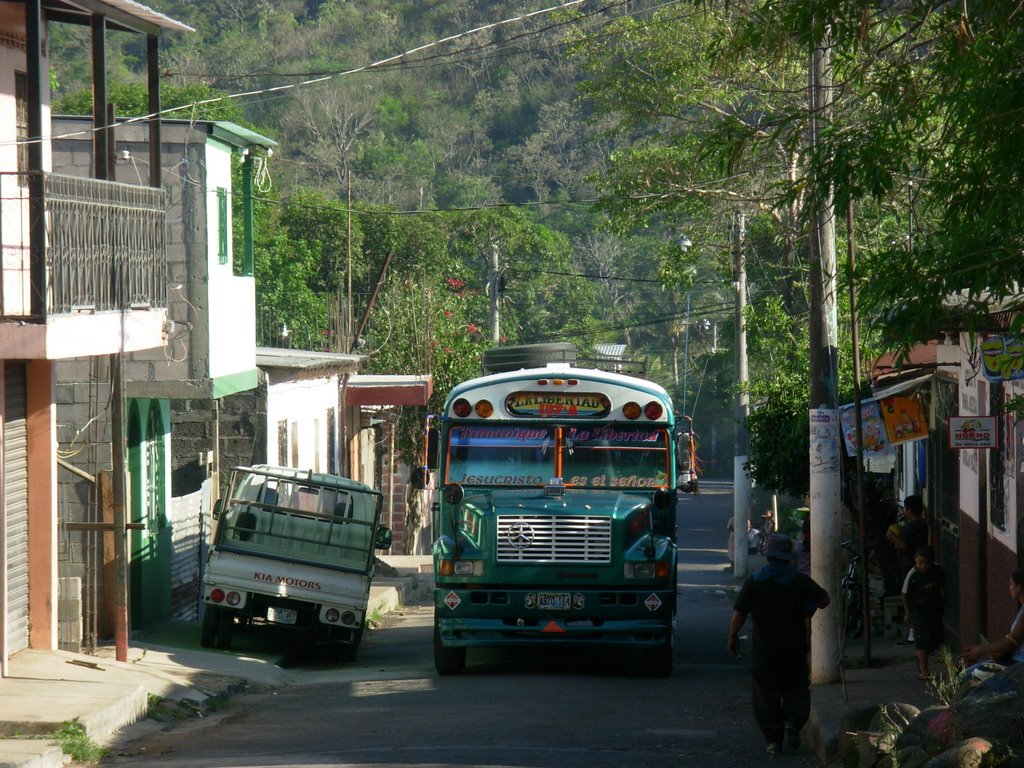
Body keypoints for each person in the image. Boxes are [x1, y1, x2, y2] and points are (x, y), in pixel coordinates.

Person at [727, 533, 831, 756]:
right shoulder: (799, 580)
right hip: (794, 649)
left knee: (765, 694)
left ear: (768, 556)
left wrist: (732, 637)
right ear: (788, 557)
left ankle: (774, 741)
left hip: (764, 652)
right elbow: (824, 599)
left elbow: (739, 613)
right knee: (796, 689)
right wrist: (807, 609)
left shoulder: (755, 581)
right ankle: (793, 722)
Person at [961, 568, 1024, 671]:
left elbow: (1010, 643)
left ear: (1019, 587)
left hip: (1019, 665)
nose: (1010, 588)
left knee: (970, 674)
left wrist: (979, 650)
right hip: (1014, 660)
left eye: (1012, 584)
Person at [887, 495, 928, 645]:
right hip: (916, 563)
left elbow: (903, 545)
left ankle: (912, 633)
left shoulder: (912, 526)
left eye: (905, 508)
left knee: (908, 596)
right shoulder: (921, 524)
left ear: (909, 509)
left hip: (910, 564)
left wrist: (892, 538)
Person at [900, 544, 946, 679]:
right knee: (922, 639)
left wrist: (944, 602)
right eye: (920, 563)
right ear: (915, 559)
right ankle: (923, 669)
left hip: (935, 609)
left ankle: (922, 660)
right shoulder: (912, 574)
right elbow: (904, 594)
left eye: (927, 563)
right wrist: (908, 613)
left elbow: (943, 587)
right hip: (919, 611)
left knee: (935, 638)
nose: (923, 566)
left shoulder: (938, 570)